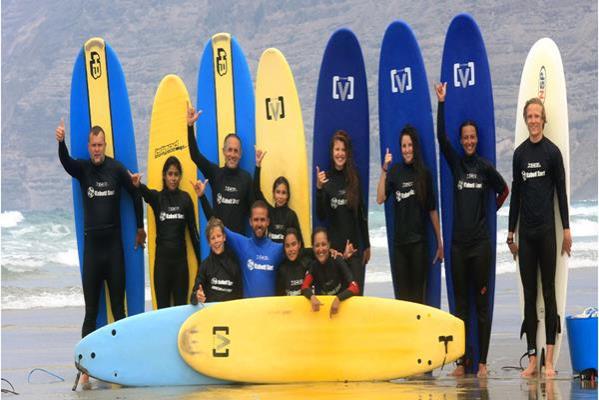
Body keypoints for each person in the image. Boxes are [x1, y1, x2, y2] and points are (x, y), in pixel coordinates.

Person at [55, 119, 145, 384]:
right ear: (89, 146)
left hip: (114, 251)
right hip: (93, 252)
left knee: (119, 310)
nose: (96, 149)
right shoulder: (83, 170)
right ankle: (84, 371)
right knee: (91, 311)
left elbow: (135, 193)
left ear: (105, 145)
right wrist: (61, 142)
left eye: (100, 145)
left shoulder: (116, 169)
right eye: (93, 145)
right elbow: (66, 162)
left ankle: (123, 366)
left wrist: (139, 227)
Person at [435, 82, 509, 378]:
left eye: (471, 137)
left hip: (480, 247)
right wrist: (442, 102)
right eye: (464, 137)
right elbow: (442, 139)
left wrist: (487, 215)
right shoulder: (457, 166)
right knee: (460, 307)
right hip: (457, 246)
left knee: (480, 306)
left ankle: (481, 363)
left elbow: (503, 191)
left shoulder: (484, 167)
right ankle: (462, 361)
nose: (467, 141)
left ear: (477, 140)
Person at [507, 97, 571, 378]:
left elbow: (561, 193)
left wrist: (566, 229)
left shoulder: (552, 153)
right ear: (526, 120)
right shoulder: (519, 154)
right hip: (527, 235)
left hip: (546, 233)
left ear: (543, 120)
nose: (533, 121)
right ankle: (532, 359)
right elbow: (516, 197)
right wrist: (510, 233)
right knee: (530, 296)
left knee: (548, 291)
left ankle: (548, 361)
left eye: (537, 116)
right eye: (529, 116)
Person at [376, 125, 443, 305]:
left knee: (418, 299)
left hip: (418, 245)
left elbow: (432, 210)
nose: (407, 150)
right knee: (403, 302)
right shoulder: (395, 172)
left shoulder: (424, 174)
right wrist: (384, 170)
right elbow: (380, 198)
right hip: (400, 246)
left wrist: (439, 241)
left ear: (415, 146)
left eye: (410, 145)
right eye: (404, 146)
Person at [192, 179, 283, 298]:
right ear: (250, 222)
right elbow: (217, 225)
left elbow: (298, 254)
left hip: (269, 314)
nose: (259, 224)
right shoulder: (242, 244)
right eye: (256, 220)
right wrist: (202, 197)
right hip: (247, 314)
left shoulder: (279, 249)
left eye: (262, 220)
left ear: (268, 222)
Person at [130, 156, 200, 308]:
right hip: (162, 265)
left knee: (181, 309)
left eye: (176, 174)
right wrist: (138, 185)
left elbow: (193, 233)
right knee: (162, 311)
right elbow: (146, 193)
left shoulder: (185, 199)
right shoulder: (158, 198)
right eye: (170, 174)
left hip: (180, 265)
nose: (173, 178)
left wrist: (202, 264)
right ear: (164, 175)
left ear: (180, 176)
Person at [315, 130, 370, 295]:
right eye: (337, 149)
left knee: (355, 301)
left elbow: (361, 214)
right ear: (332, 152)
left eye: (343, 150)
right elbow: (321, 216)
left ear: (348, 153)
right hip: (335, 253)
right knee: (337, 302)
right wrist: (319, 189)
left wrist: (366, 245)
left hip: (353, 251)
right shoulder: (327, 181)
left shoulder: (354, 179)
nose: (340, 153)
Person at [187, 105, 253, 233]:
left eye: (236, 151)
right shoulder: (215, 173)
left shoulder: (246, 179)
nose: (232, 155)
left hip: (238, 246)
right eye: (229, 150)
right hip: (218, 243)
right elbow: (195, 156)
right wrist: (190, 127)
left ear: (240, 154)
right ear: (223, 151)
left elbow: (255, 213)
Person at [301, 227, 360, 316]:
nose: (320, 249)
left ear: (329, 245)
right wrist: (312, 297)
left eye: (324, 244)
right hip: (324, 313)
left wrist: (338, 299)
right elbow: (304, 286)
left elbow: (354, 287)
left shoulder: (337, 260)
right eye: (317, 245)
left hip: (342, 311)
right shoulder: (314, 266)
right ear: (313, 247)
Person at [254, 147, 303, 244]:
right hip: (271, 258)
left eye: (284, 193)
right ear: (273, 193)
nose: (280, 196)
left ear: (288, 195)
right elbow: (256, 192)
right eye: (278, 192)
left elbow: (300, 243)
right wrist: (258, 166)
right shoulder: (269, 211)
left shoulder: (291, 216)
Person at [189, 217, 242, 304]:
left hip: (229, 314)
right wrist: (197, 296)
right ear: (209, 242)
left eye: (219, 236)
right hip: (211, 315)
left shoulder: (234, 264)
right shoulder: (204, 266)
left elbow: (239, 296)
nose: (216, 240)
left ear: (224, 237)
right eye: (212, 238)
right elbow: (193, 298)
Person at [276, 228, 313, 296]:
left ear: (299, 244)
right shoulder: (281, 270)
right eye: (287, 246)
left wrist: (331, 252)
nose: (291, 249)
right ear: (284, 248)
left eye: (293, 244)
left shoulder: (308, 264)